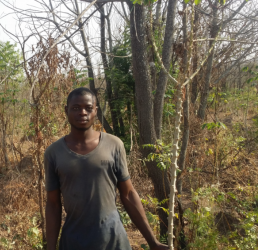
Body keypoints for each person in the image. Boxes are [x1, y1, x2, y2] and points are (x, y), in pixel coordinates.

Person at [45, 87, 168, 250]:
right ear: (66, 110)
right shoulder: (54, 152)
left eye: (88, 108)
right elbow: (53, 205)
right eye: (76, 108)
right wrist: (51, 247)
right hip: (74, 242)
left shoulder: (113, 144)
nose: (82, 112)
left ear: (95, 111)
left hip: (113, 240)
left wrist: (153, 242)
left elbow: (129, 194)